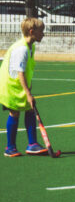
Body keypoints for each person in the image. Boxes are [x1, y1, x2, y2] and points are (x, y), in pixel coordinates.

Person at [1, 17, 48, 157]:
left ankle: (32, 144)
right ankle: (10, 148)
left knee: (29, 110)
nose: (43, 34)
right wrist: (28, 93)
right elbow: (20, 72)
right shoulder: (21, 49)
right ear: (32, 31)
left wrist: (29, 88)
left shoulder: (30, 46)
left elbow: (27, 69)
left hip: (17, 85)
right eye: (41, 31)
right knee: (15, 112)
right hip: (11, 86)